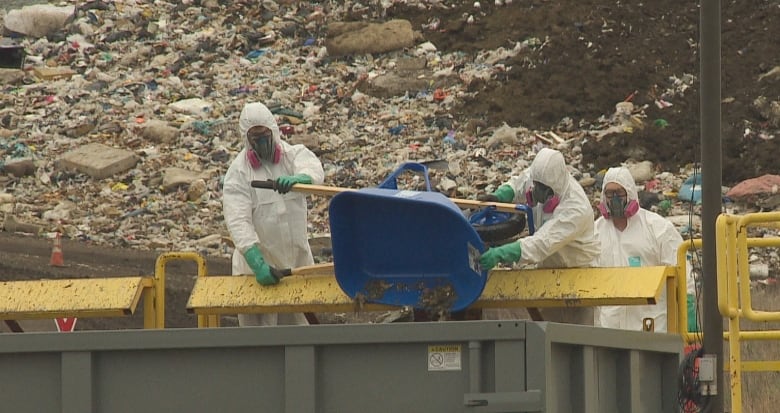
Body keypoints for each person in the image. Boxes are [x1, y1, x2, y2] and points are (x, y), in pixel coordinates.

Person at [222, 102, 324, 326]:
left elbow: (313, 168)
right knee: (261, 342)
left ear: (274, 131)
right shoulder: (239, 173)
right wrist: (257, 263)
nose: (262, 142)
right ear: (247, 140)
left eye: (265, 135)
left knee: (300, 334)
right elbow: (238, 221)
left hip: (296, 265)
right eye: (255, 137)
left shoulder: (291, 156)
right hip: (258, 272)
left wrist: (301, 179)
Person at [479, 147, 600, 324]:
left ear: (556, 187)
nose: (537, 192)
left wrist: (501, 254)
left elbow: (541, 244)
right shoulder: (540, 176)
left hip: (579, 273)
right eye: (537, 186)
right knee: (547, 333)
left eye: (544, 190)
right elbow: (520, 183)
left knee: (578, 335)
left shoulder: (575, 208)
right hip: (548, 269)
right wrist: (502, 194)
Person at [593, 166, 683, 332]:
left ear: (630, 193)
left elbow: (682, 275)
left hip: (652, 328)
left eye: (619, 193)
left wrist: (688, 318)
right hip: (609, 331)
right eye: (609, 193)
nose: (614, 199)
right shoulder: (594, 233)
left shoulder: (658, 228)